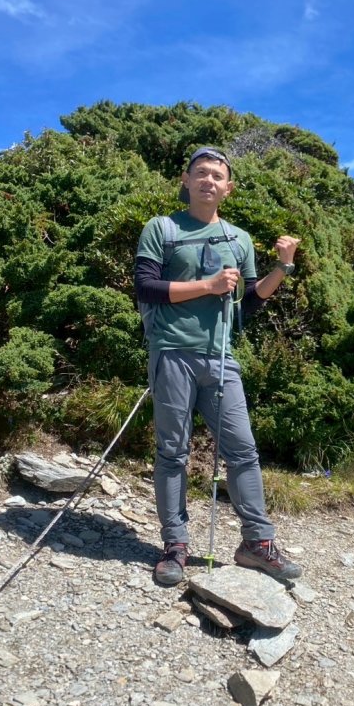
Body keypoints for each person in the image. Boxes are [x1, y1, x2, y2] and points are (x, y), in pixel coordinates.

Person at [134, 146, 303, 586]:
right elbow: (146, 287)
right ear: (186, 180)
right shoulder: (163, 228)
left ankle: (256, 544)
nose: (209, 180)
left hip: (222, 358)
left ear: (228, 188)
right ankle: (174, 547)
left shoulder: (239, 239)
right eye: (201, 173)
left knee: (243, 450)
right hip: (172, 352)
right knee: (173, 452)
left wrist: (281, 268)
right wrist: (206, 285)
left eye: (217, 176)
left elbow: (248, 303)